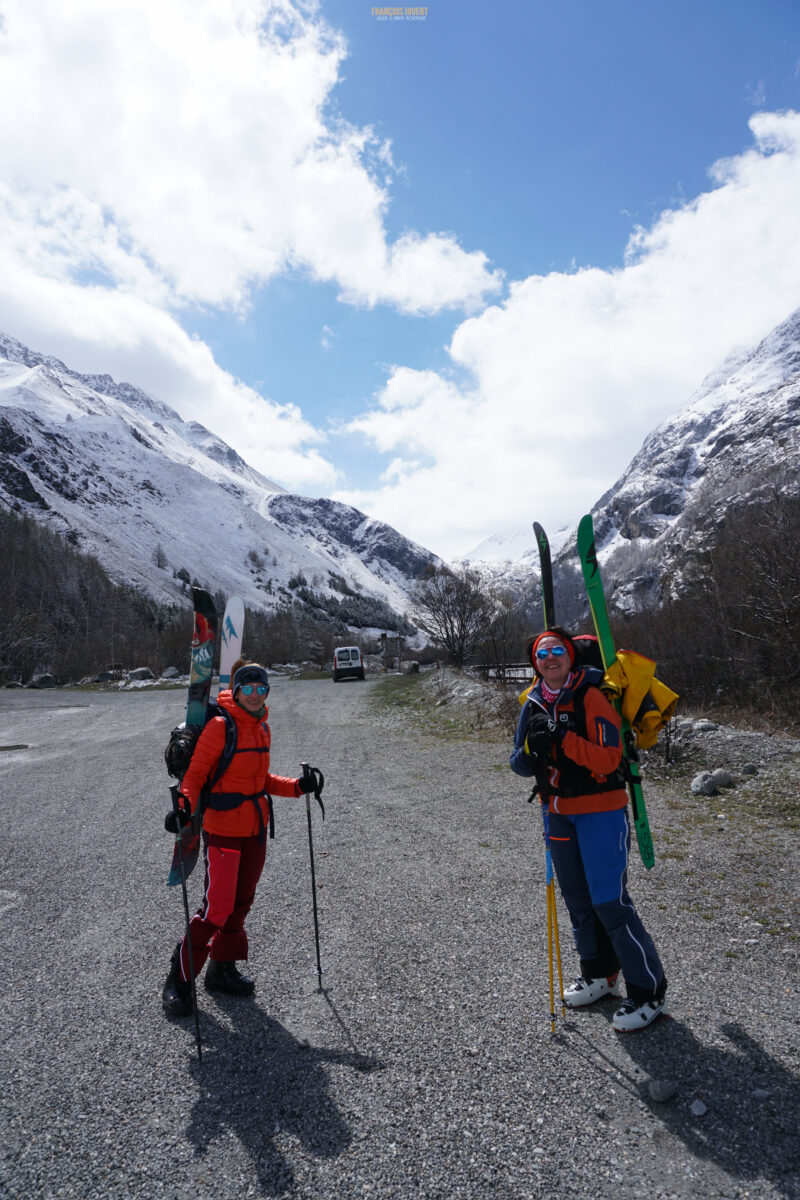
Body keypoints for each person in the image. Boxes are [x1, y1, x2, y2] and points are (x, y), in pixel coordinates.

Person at [510, 627, 667, 1032]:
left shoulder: (592, 696)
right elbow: (517, 762)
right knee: (578, 901)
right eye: (541, 653)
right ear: (535, 662)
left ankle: (648, 990)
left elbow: (608, 757)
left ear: (571, 657)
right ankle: (600, 974)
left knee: (610, 903)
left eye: (557, 650)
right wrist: (533, 748)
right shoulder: (533, 703)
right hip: (557, 812)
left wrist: (562, 738)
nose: (550, 658)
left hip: (601, 811)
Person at [162, 660, 323, 1017]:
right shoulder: (221, 726)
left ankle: (222, 970)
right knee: (215, 908)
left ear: (267, 693)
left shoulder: (262, 725)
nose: (254, 695)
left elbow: (260, 780)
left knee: (241, 903)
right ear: (235, 691)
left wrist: (298, 787)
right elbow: (196, 775)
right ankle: (179, 979)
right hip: (222, 830)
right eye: (248, 689)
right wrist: (184, 810)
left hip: (255, 829)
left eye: (260, 689)